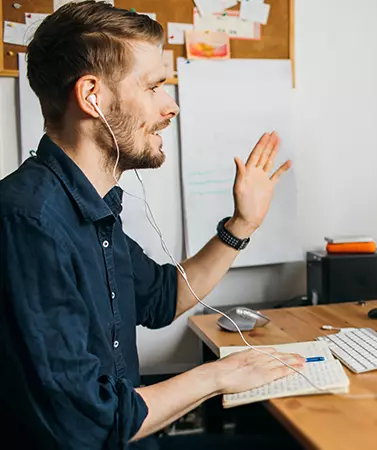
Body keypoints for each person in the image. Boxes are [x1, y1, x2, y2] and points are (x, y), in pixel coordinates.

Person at [0, 4, 304, 449]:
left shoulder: (89, 207)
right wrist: (219, 375)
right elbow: (90, 425)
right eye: (154, 86)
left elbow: (162, 298)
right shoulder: (29, 222)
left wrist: (243, 224)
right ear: (92, 97)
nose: (171, 105)